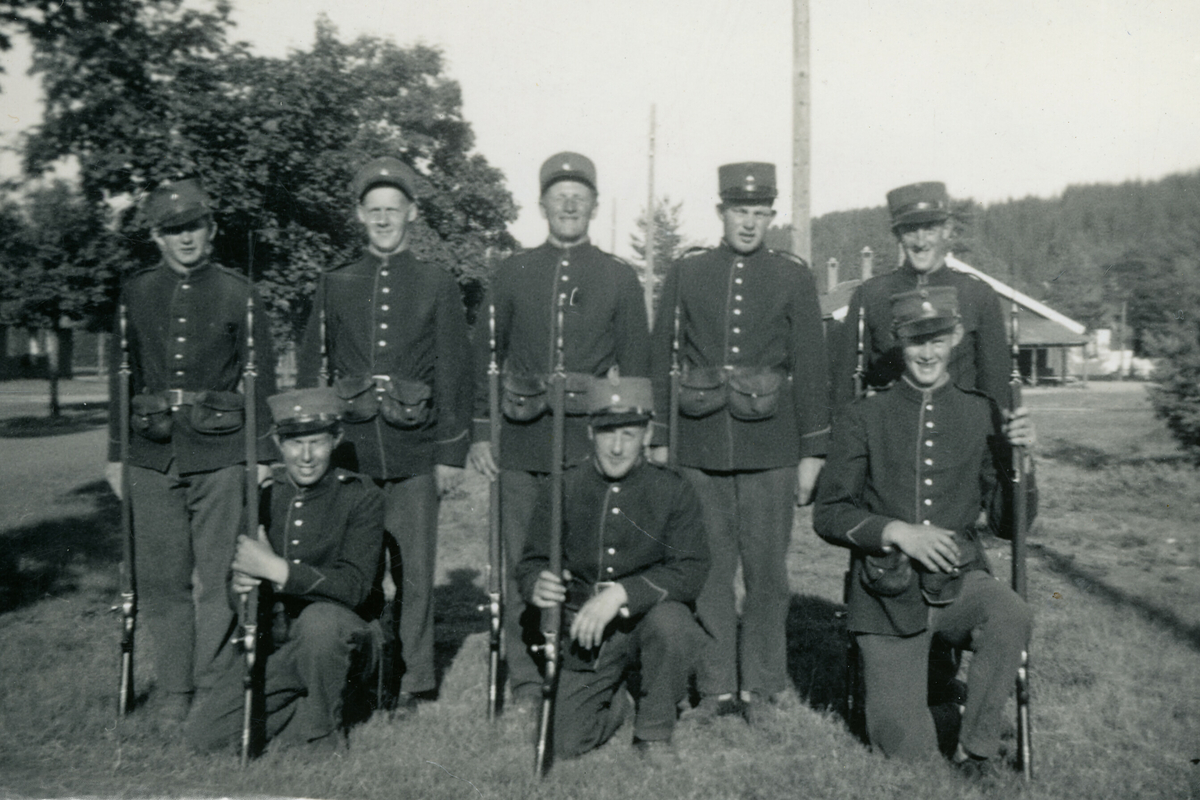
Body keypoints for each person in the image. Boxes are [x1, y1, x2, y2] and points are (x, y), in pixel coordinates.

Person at [813, 286, 1036, 781]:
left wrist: (1023, 462)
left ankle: (975, 753)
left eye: (938, 338)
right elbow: (828, 514)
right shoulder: (863, 416)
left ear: (956, 336)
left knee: (1010, 612)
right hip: (886, 593)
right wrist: (896, 531)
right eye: (917, 341)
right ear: (899, 342)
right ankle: (932, 709)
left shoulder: (983, 414)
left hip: (959, 583)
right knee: (903, 752)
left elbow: (1006, 523)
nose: (929, 352)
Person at [468, 152, 651, 709]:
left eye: (580, 195)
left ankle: (582, 665)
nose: (569, 204)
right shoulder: (512, 271)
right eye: (559, 195)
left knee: (586, 556)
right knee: (521, 561)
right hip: (521, 441)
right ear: (542, 203)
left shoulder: (618, 277)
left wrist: (637, 442)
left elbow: (638, 369)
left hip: (588, 446)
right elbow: (485, 357)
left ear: (594, 204)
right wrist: (481, 430)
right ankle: (525, 676)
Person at [648, 162, 830, 722]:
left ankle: (764, 688)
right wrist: (659, 439)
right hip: (699, 446)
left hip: (771, 449)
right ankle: (716, 685)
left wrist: (812, 453)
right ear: (721, 212)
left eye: (760, 213)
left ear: (771, 215)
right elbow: (661, 356)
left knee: (767, 573)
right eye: (739, 211)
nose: (749, 223)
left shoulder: (793, 275)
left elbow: (812, 365)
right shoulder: (689, 271)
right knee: (708, 571)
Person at [296, 156, 474, 715]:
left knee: (415, 575)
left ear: (412, 214)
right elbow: (311, 369)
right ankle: (363, 673)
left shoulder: (437, 284)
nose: (383, 219)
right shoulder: (335, 283)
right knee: (360, 571)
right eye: (373, 211)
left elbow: (454, 372)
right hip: (350, 454)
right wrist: (310, 442)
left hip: (415, 450)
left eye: (393, 210)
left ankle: (414, 679)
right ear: (358, 215)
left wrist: (450, 454)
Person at [105, 178, 276, 726]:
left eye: (193, 227)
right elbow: (121, 377)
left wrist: (264, 453)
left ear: (212, 229)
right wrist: (116, 453)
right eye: (172, 230)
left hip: (223, 453)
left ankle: (213, 685)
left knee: (221, 576)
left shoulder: (239, 293)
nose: (185, 238)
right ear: (157, 237)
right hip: (151, 454)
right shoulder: (135, 293)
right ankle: (176, 690)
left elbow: (262, 378)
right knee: (161, 579)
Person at [517, 375, 708, 762]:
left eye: (629, 433)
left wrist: (623, 594)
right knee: (566, 743)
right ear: (590, 432)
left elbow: (691, 568)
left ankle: (654, 730)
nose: (618, 447)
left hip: (646, 620)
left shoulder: (673, 488)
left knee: (673, 624)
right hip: (586, 627)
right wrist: (537, 583)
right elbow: (532, 561)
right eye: (607, 433)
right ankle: (618, 697)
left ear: (648, 434)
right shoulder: (563, 486)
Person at [186, 387, 385, 753]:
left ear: (336, 440)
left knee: (321, 623)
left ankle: (323, 735)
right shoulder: (263, 495)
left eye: (317, 443)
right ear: (278, 443)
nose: (306, 456)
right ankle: (315, 708)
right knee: (206, 738)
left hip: (343, 640)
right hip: (281, 643)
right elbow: (235, 592)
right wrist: (243, 584)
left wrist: (278, 570)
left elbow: (356, 587)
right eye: (295, 443)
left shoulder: (361, 495)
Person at [830, 181, 1008, 410]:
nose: (921, 242)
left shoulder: (978, 295)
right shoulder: (871, 296)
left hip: (962, 435)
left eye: (930, 229)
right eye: (911, 230)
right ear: (897, 234)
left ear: (947, 230)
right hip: (891, 435)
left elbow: (997, 389)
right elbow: (845, 385)